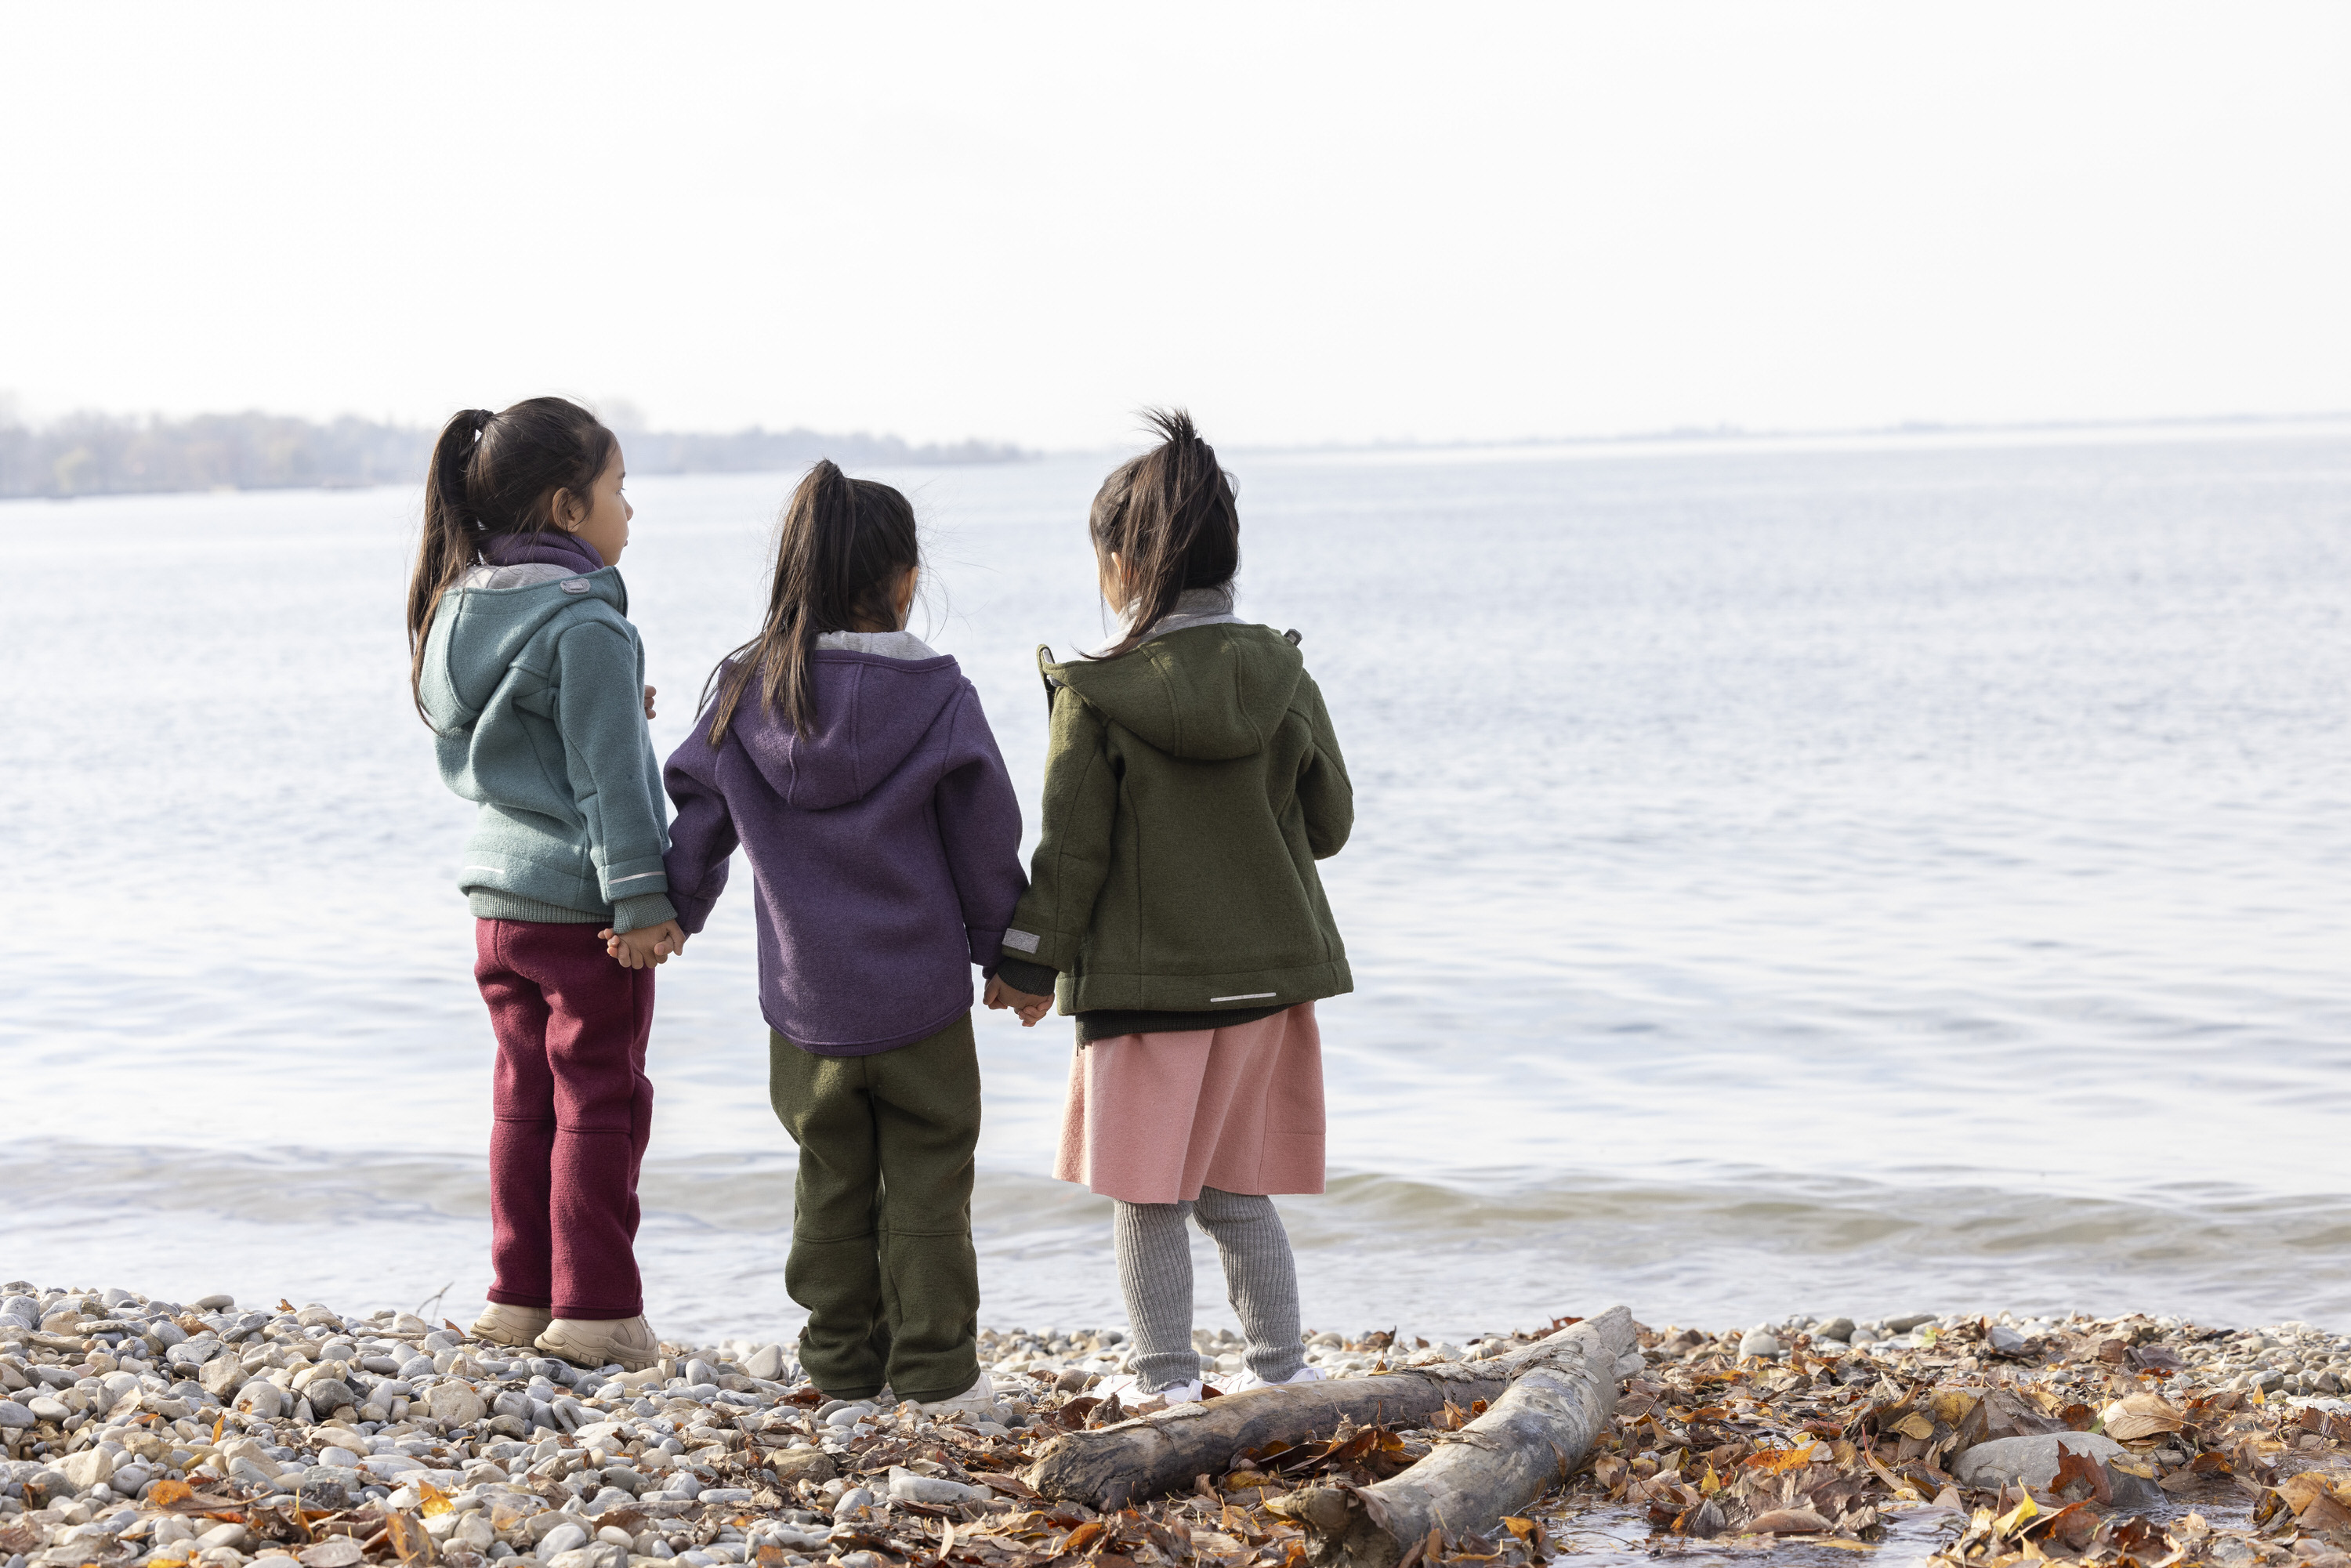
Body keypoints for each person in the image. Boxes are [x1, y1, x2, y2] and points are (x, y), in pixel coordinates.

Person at [988, 408, 1353, 1404]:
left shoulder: (1098, 692)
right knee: (1238, 1195)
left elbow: (1072, 852)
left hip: (1148, 998)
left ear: (1121, 564)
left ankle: (1162, 1384)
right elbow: (1329, 824)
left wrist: (1027, 965)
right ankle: (1286, 1373)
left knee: (1148, 1201)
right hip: (1267, 984)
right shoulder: (1283, 674)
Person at [661, 461, 1026, 1416]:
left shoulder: (744, 696)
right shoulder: (942, 697)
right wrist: (1015, 956)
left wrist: (669, 909)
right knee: (928, 1187)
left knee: (829, 1181)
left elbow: (698, 819)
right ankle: (938, 1375)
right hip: (922, 1004)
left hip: (806, 1006)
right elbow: (987, 844)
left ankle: (841, 1371)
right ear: (906, 579)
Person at [408, 397, 683, 1373]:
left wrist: (611, 703)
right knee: (601, 1102)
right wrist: (645, 903)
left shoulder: (457, 606)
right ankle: (599, 1311)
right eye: (618, 490)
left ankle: (519, 1297)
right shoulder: (587, 624)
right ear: (569, 507)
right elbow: (613, 787)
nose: (629, 512)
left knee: (524, 1104)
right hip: (580, 911)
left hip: (496, 905)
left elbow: (503, 734)